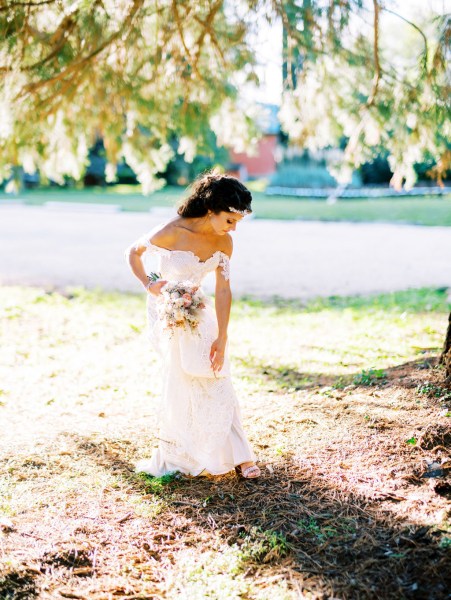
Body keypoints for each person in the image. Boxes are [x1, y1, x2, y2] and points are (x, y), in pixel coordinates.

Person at [125, 172, 260, 479]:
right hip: (170, 312)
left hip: (201, 311)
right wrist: (150, 284)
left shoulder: (225, 242)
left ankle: (241, 455)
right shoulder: (172, 231)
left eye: (238, 221)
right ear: (211, 211)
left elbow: (223, 290)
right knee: (181, 377)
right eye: (229, 220)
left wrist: (222, 338)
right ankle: (181, 450)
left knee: (216, 374)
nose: (234, 228)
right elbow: (132, 252)